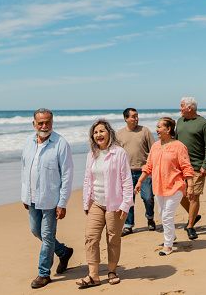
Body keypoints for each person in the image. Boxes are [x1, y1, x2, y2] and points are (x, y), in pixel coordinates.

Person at [76, 119, 134, 288]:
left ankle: (112, 271)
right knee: (91, 237)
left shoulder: (119, 153)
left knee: (113, 238)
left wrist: (126, 204)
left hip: (115, 203)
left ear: (109, 133)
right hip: (95, 202)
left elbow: (127, 180)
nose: (98, 135)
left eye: (102, 131)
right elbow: (88, 179)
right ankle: (93, 276)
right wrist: (86, 202)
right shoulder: (91, 154)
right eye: (95, 132)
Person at [21, 108, 74, 289]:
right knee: (36, 231)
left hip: (51, 199)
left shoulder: (60, 143)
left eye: (48, 122)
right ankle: (63, 251)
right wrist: (25, 195)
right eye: (41, 123)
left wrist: (62, 202)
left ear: (52, 122)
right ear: (34, 123)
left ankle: (44, 273)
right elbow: (24, 169)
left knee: (47, 236)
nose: (44, 126)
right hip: (33, 198)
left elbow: (67, 175)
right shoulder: (28, 141)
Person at [134, 117, 194, 255]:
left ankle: (168, 245)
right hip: (158, 187)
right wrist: (140, 181)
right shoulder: (155, 146)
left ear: (168, 129)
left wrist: (189, 186)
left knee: (167, 216)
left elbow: (186, 167)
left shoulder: (179, 146)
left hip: (175, 186)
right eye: (157, 126)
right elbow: (148, 166)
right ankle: (172, 236)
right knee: (162, 215)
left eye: (160, 127)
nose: (157, 130)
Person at [176, 97, 206, 240]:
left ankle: (190, 226)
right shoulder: (180, 122)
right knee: (179, 195)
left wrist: (205, 164)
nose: (179, 109)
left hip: (197, 167)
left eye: (181, 106)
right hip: (180, 167)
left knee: (193, 196)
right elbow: (175, 143)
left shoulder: (204, 124)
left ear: (189, 108)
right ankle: (194, 215)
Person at [117, 108, 156, 236]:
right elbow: (117, 155)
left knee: (148, 197)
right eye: (133, 116)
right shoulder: (119, 134)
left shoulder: (144, 131)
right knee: (128, 200)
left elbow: (153, 150)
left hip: (144, 171)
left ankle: (150, 218)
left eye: (137, 116)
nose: (136, 118)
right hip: (126, 173)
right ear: (126, 118)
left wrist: (153, 168)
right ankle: (128, 226)